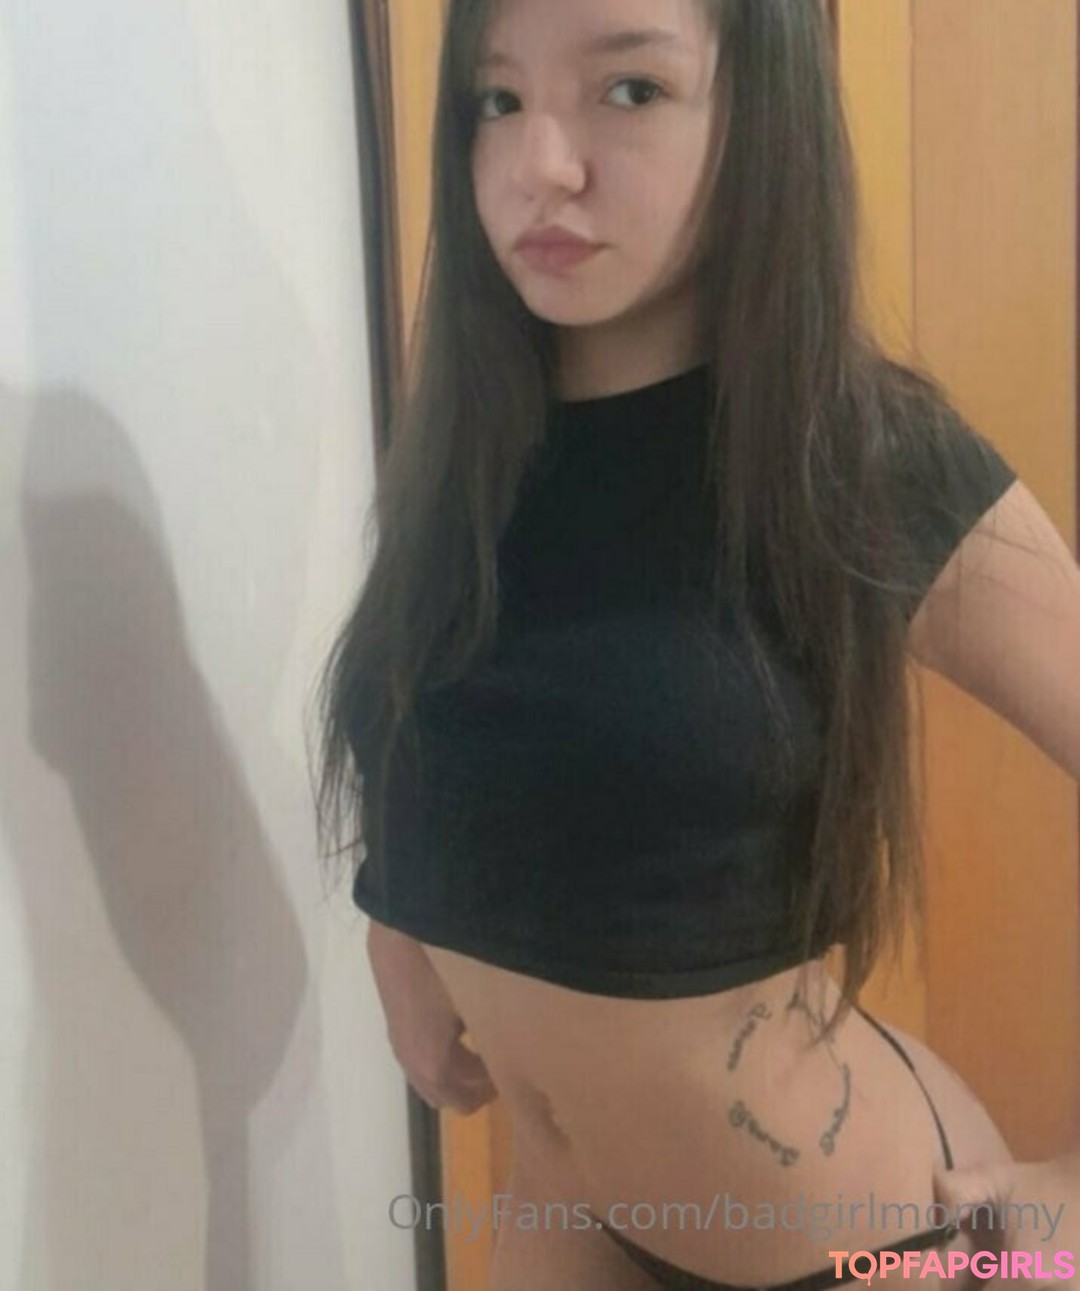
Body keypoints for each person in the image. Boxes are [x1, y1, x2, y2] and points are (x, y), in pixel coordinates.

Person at [315, 1, 1080, 1287]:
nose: (540, 164)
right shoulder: (470, 444)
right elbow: (447, 715)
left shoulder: (855, 453)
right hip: (565, 1207)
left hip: (865, 1241)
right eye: (499, 99)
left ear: (761, 115)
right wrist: (398, 924)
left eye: (630, 90)